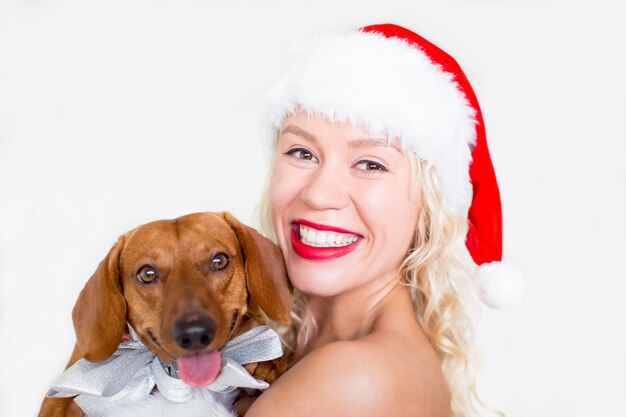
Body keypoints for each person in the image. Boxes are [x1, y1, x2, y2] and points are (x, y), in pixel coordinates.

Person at [241, 23, 522, 417]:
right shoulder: (306, 352)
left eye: (370, 163)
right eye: (302, 153)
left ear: (429, 206)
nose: (319, 194)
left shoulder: (352, 376)